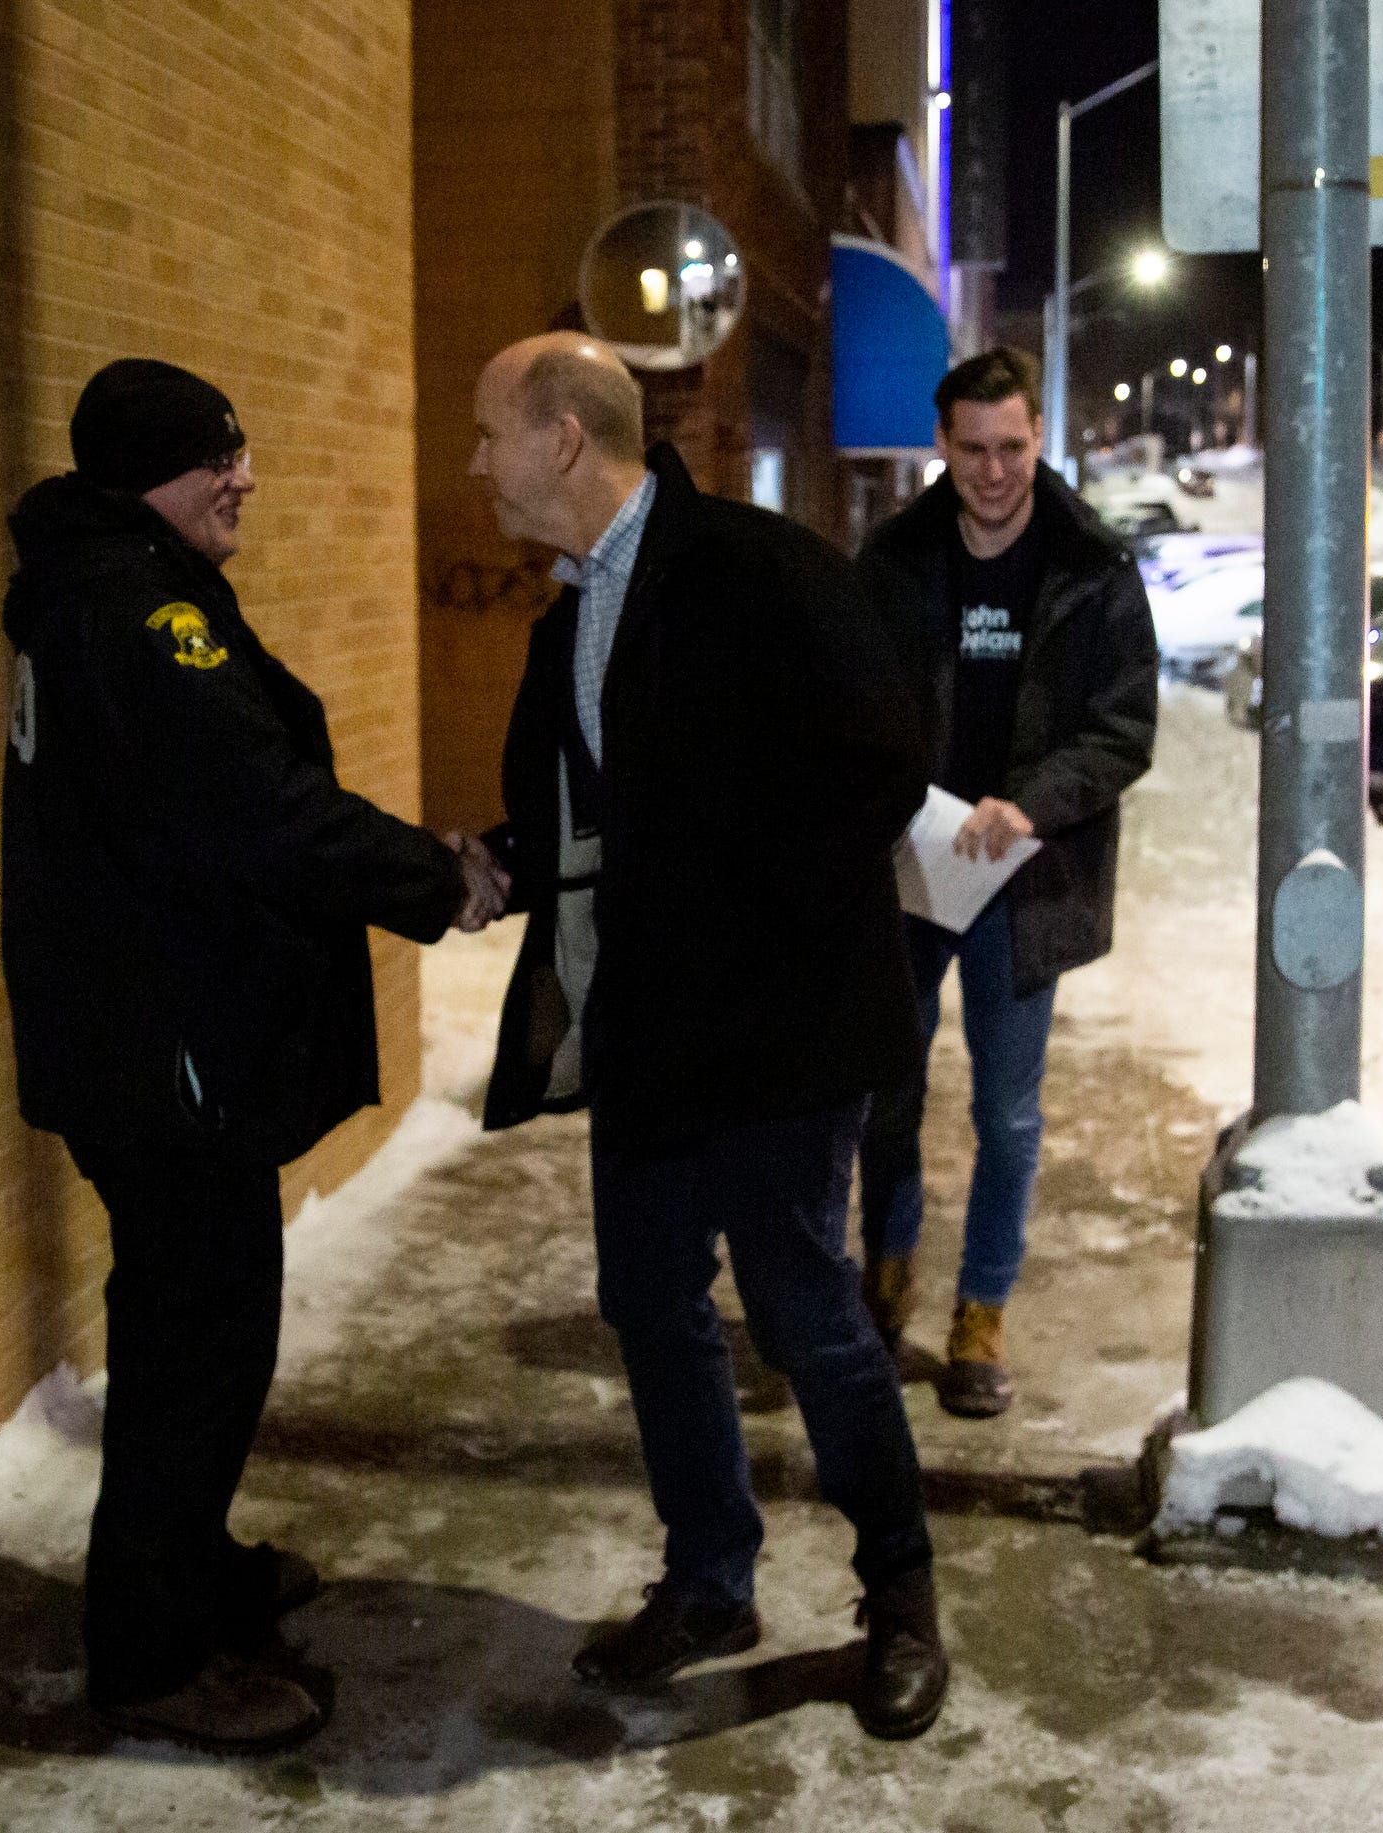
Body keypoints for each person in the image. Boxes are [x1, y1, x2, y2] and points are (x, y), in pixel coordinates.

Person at [0, 358, 509, 1751]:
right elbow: (265, 807)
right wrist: (436, 879)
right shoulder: (138, 611)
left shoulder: (95, 586)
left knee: (200, 1324)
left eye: (241, 448)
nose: (245, 477)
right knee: (192, 1344)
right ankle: (152, 1651)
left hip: (141, 1036)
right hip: (161, 1050)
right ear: (145, 474)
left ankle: (185, 1569)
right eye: (213, 457)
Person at [468, 333, 950, 1739]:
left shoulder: (757, 566)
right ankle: (710, 1577)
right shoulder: (568, 619)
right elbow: (608, 815)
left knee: (807, 1322)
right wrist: (504, 860)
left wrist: (732, 922)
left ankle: (902, 1595)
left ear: (564, 437)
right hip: (652, 1041)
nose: (476, 462)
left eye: (491, 431)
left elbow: (880, 764)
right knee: (651, 1306)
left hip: (780, 1039)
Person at [855, 348, 1159, 1417]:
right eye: (972, 449)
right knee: (883, 1097)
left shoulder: (1093, 569)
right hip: (908, 864)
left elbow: (1124, 729)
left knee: (1007, 1115)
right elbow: (854, 705)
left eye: (1013, 448)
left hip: (1025, 871)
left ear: (1041, 438)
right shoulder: (892, 560)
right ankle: (879, 1291)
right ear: (941, 445)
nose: (993, 472)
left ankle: (980, 1318)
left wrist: (1028, 802)